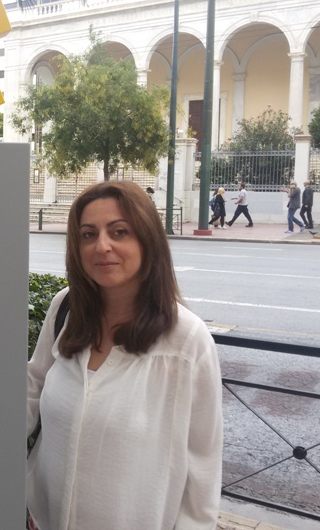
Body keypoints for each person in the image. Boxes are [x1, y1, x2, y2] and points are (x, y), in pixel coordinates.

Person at [26, 181, 223, 530]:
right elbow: (32, 387)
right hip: (41, 519)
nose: (102, 246)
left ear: (147, 239)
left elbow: (203, 466)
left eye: (119, 232)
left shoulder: (186, 340)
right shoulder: (66, 308)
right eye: (88, 234)